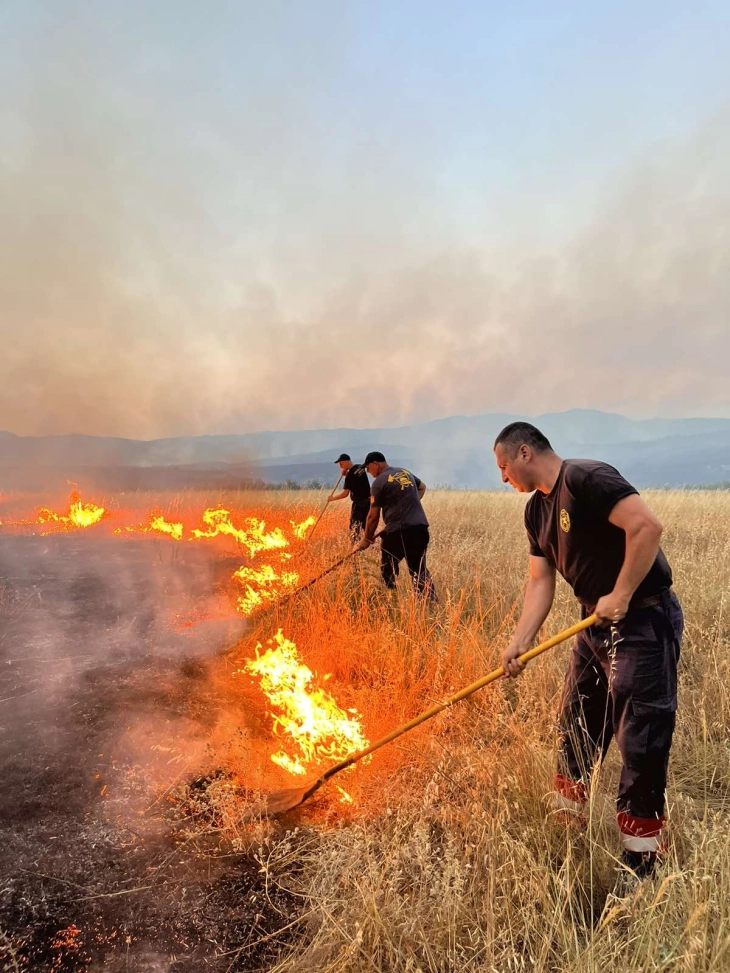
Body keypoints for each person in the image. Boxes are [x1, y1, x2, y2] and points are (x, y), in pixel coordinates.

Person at [494, 421, 683, 880]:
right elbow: (541, 582)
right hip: (592, 627)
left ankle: (640, 864)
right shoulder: (535, 513)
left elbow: (646, 526)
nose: (503, 479)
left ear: (524, 452)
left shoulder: (585, 477)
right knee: (575, 727)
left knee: (639, 741)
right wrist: (521, 641)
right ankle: (567, 828)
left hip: (641, 619)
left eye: (503, 467)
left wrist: (620, 593)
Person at [355, 451, 437, 601]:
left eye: (368, 468)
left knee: (388, 569)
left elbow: (373, 516)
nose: (369, 472)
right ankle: (430, 604)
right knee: (418, 570)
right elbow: (422, 487)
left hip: (398, 531)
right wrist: (409, 505)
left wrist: (366, 539)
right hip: (420, 529)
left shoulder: (378, 483)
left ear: (375, 464)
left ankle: (391, 600)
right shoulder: (405, 472)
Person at [328, 453, 372, 539]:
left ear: (347, 461)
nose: (340, 466)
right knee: (365, 525)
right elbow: (356, 477)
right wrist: (347, 473)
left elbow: (345, 494)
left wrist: (332, 499)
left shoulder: (350, 476)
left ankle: (355, 546)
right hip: (368, 502)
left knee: (354, 527)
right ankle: (373, 545)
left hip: (359, 504)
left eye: (341, 464)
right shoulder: (360, 468)